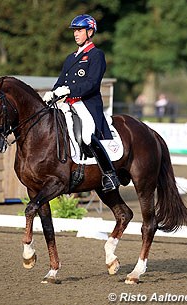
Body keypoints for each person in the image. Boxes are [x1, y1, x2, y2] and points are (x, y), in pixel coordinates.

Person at [43, 14, 120, 192]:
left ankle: (109, 173)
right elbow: (61, 81)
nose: (76, 34)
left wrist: (69, 90)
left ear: (90, 31)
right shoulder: (70, 58)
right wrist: (53, 93)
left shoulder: (96, 55)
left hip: (86, 104)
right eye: (74, 31)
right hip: (68, 104)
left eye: (79, 30)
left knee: (86, 135)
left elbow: (92, 83)